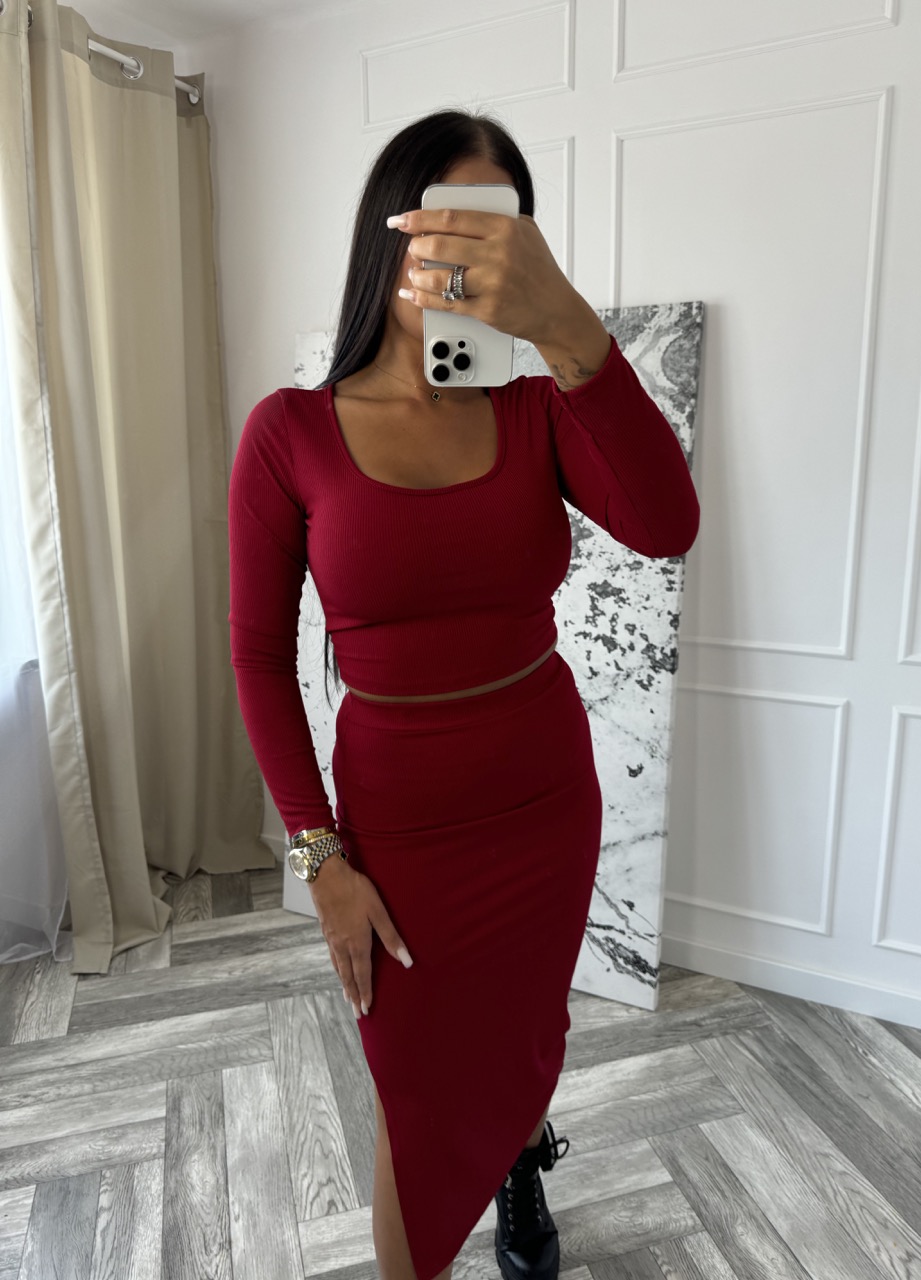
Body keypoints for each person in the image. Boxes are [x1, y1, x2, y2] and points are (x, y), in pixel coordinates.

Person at [228, 109, 700, 1280]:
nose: (464, 259)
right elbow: (257, 656)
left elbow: (665, 521)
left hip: (543, 804)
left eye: (495, 233)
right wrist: (321, 862)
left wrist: (568, 329)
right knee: (417, 1089)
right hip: (399, 830)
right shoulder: (290, 433)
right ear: (386, 235)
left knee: (521, 1034)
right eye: (446, 225)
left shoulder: (537, 409)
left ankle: (521, 1156)